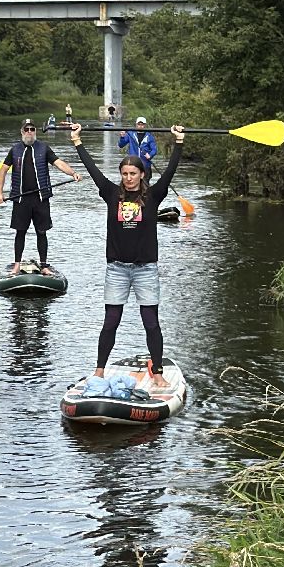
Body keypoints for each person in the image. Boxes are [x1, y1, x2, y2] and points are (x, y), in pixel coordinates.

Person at [70, 121, 185, 384]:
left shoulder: (154, 196)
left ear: (142, 174)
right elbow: (92, 170)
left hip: (145, 268)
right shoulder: (111, 193)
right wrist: (77, 142)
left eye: (133, 173)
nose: (128, 177)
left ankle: (157, 373)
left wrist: (179, 142)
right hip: (117, 269)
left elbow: (169, 172)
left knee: (151, 322)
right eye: (124, 173)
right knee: (110, 321)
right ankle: (98, 371)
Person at [0, 118, 81, 275]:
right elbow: (3, 171)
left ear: (35, 131)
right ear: (22, 132)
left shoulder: (44, 148)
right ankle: (16, 265)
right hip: (21, 199)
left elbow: (59, 163)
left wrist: (73, 173)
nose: (29, 132)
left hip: (41, 198)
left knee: (42, 232)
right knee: (20, 232)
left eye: (32, 129)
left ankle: (44, 265)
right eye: (26, 130)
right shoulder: (15, 150)